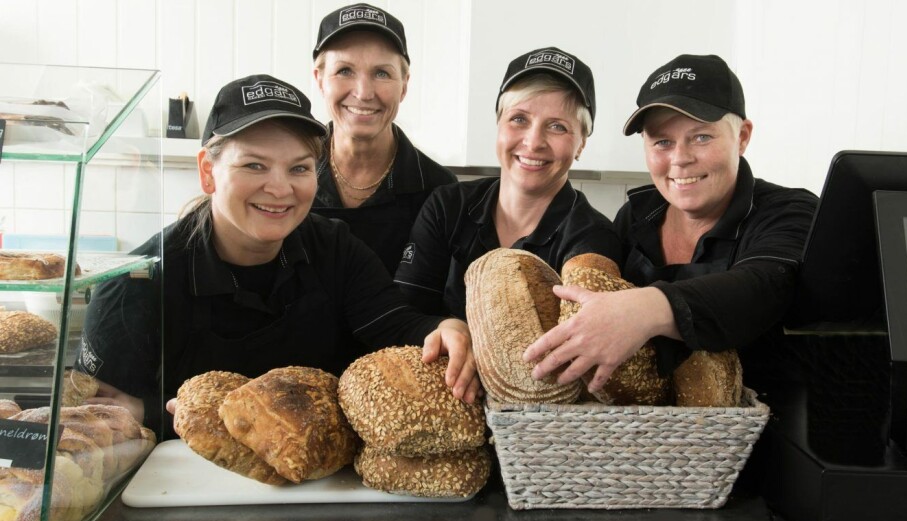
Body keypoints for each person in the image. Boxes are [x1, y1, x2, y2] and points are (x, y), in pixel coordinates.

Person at [76, 74, 478, 437]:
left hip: (316, 488)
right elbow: (99, 419)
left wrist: (444, 328)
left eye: (299, 169)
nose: (280, 188)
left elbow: (395, 326)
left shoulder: (334, 248)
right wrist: (168, 417)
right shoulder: (135, 285)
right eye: (255, 165)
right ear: (208, 172)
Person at [524, 54, 818, 395]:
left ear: (742, 137)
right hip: (648, 434)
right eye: (662, 141)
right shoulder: (637, 215)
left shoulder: (789, 210)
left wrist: (646, 310)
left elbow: (763, 286)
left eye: (701, 137)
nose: (680, 158)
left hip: (769, 426)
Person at [394, 46, 621, 319]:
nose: (534, 142)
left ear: (581, 144)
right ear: (499, 124)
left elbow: (577, 345)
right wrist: (443, 330)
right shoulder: (447, 206)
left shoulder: (593, 239)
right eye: (519, 119)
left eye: (557, 126)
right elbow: (406, 314)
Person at [310, 3, 457, 276]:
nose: (364, 93)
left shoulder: (440, 191)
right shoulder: (289, 178)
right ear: (320, 80)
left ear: (404, 85)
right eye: (344, 70)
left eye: (381, 73)